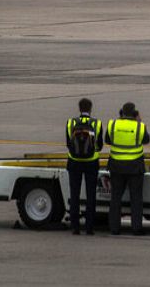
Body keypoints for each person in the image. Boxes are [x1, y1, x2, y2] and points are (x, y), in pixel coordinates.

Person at [105, 101, 150, 235]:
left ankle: (114, 228)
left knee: (115, 198)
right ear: (135, 113)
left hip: (116, 166)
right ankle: (136, 228)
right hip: (134, 167)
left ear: (121, 112)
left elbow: (107, 140)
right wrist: (138, 121)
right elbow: (146, 140)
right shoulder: (139, 126)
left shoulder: (113, 124)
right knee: (136, 198)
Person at [65, 98, 103, 235]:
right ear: (91, 108)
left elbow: (68, 144)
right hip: (91, 163)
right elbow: (99, 145)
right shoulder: (97, 123)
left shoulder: (71, 122)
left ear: (79, 108)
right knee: (90, 195)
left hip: (74, 162)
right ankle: (89, 227)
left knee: (74, 194)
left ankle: (75, 227)